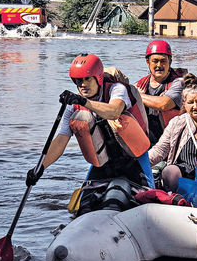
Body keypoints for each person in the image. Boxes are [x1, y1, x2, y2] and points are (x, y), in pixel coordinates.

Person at [25, 53, 153, 215]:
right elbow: (60, 140)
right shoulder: (75, 106)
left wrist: (84, 102)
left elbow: (114, 111)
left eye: (87, 79)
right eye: (78, 81)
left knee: (148, 200)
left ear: (98, 78)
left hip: (135, 159)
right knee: (83, 209)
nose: (82, 85)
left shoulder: (117, 89)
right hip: (104, 161)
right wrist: (40, 167)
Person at [149, 74, 197, 192]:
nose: (195, 106)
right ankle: (176, 199)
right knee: (168, 171)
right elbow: (160, 150)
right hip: (183, 170)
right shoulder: (176, 122)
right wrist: (141, 162)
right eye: (191, 102)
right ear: (184, 104)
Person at [136, 40, 187, 144]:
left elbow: (164, 104)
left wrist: (135, 95)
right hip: (148, 140)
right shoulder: (141, 84)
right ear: (148, 62)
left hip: (174, 140)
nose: (159, 65)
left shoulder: (179, 83)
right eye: (155, 61)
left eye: (163, 61)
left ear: (170, 62)